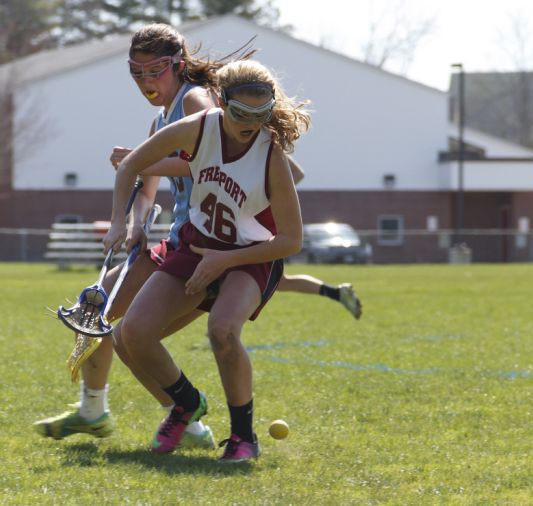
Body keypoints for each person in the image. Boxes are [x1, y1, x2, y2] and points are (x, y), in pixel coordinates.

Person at [33, 23, 359, 447]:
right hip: (186, 240)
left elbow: (215, 157)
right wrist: (134, 224)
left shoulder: (196, 101)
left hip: (219, 240)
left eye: (155, 70)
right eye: (137, 72)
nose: (147, 81)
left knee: (117, 321)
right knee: (106, 318)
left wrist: (145, 161)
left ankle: (177, 420)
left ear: (177, 65)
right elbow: (147, 187)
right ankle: (157, 415)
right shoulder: (160, 120)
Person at [103, 59, 310, 462]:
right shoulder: (197, 128)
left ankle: (243, 437)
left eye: (261, 114)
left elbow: (290, 240)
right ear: (222, 103)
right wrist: (119, 223)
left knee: (223, 331)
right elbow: (130, 165)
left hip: (252, 255)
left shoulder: (270, 154)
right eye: (241, 113)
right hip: (198, 245)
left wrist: (224, 260)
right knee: (132, 334)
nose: (251, 124)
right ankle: (186, 403)